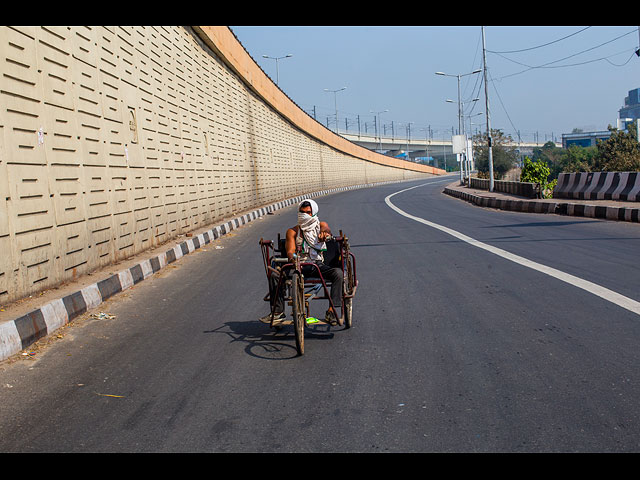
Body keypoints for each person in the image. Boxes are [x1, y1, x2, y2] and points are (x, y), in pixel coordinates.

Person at [260, 199, 344, 326]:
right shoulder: (292, 232)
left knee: (338, 273)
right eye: (302, 212)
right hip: (297, 265)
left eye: (308, 212)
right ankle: (278, 312)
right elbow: (290, 251)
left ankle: (331, 311)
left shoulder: (320, 225)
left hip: (316, 265)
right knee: (274, 274)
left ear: (314, 213)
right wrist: (293, 258)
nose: (304, 215)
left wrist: (325, 234)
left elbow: (326, 229)